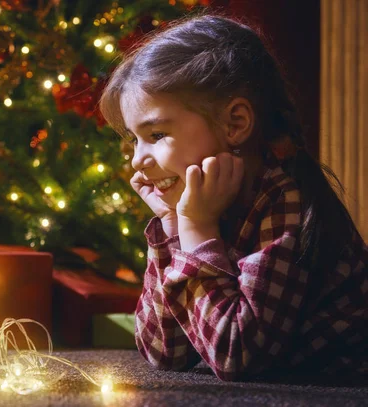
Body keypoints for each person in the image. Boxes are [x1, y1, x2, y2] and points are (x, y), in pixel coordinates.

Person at [99, 14, 367, 381]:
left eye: (157, 134)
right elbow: (163, 351)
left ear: (235, 124)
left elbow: (236, 355)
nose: (136, 160)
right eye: (133, 139)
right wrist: (173, 226)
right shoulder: (203, 203)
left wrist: (196, 228)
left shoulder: (284, 199)